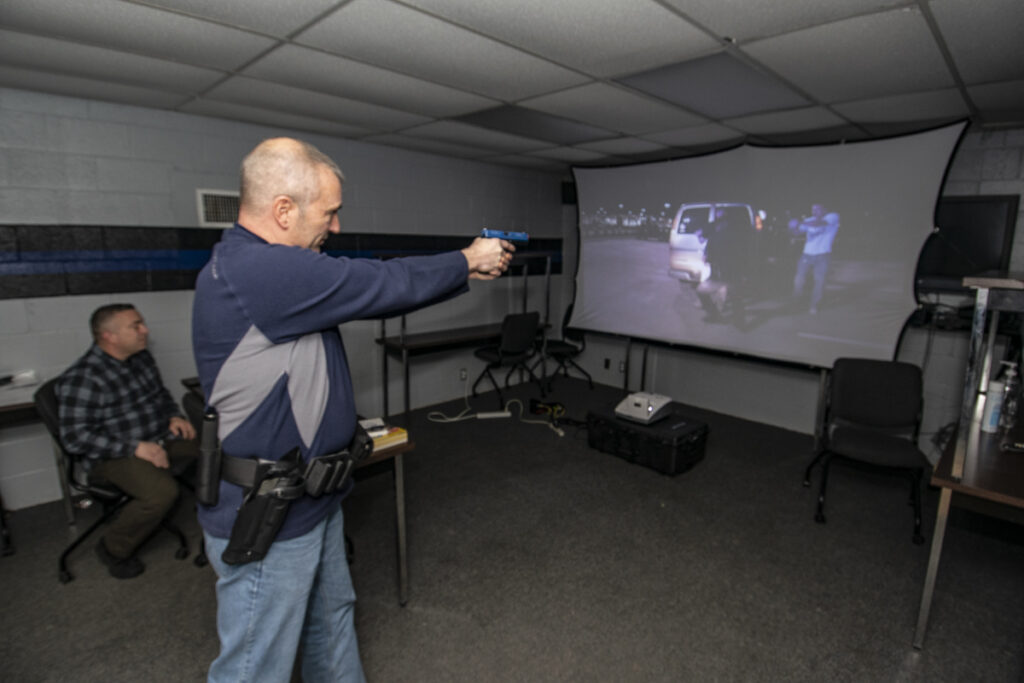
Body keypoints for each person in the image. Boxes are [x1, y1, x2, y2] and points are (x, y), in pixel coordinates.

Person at [191, 137, 512, 682]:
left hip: (311, 500)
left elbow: (372, 288)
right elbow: (377, 282)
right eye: (330, 212)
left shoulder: (275, 268)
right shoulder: (256, 270)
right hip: (268, 515)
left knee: (332, 628)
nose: (335, 227)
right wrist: (466, 259)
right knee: (254, 668)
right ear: (284, 210)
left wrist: (459, 274)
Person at [56, 303, 197, 579]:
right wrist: (135, 447)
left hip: (157, 436)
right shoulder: (83, 378)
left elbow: (160, 395)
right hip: (112, 456)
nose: (145, 330)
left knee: (215, 448)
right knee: (162, 494)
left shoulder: (140, 358)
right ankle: (113, 547)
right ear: (110, 336)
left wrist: (174, 416)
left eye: (142, 323)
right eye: (136, 326)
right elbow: (74, 438)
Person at [791, 203, 840, 314]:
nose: (814, 212)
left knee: (820, 282)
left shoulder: (833, 217)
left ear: (824, 209)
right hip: (807, 254)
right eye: (813, 209)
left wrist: (799, 222)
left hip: (823, 255)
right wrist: (793, 227)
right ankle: (795, 304)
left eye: (817, 209)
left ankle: (814, 305)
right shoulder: (809, 219)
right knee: (798, 280)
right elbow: (797, 233)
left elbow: (819, 224)